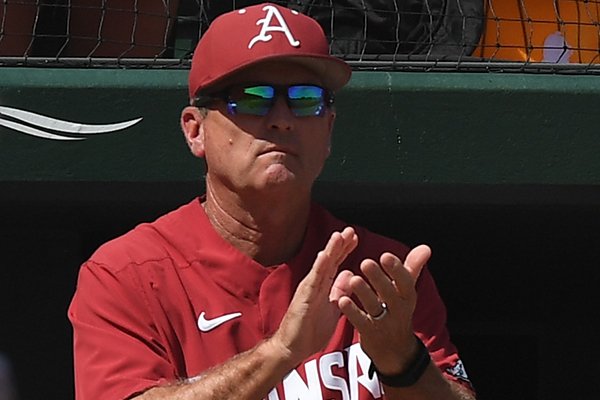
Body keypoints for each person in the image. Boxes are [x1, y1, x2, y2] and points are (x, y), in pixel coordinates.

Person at [68, 3, 476, 400]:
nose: (281, 118)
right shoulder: (126, 275)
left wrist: (403, 362)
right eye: (251, 97)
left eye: (304, 99)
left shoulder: (382, 274)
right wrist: (280, 352)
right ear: (195, 131)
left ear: (329, 130)